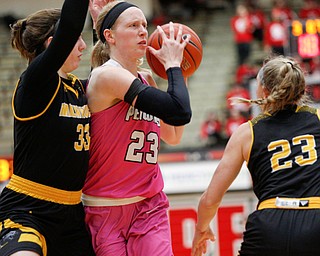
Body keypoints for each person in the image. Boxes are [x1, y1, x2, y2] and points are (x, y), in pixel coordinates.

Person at [81, 1, 192, 256]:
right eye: (133, 26)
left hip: (149, 205)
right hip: (105, 208)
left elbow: (174, 134)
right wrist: (173, 66)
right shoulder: (106, 77)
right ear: (109, 36)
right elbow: (180, 110)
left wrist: (184, 71)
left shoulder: (147, 79)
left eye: (144, 25)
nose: (143, 31)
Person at [191, 55, 320, 256]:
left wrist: (201, 228)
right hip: (315, 218)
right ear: (301, 89)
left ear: (264, 90)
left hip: (270, 223)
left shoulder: (247, 132)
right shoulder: (318, 119)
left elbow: (210, 199)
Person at [0, 0, 97, 255]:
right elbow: (70, 24)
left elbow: (105, 68)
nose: (83, 46)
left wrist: (100, 23)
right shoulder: (36, 82)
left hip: (72, 213)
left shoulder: (78, 87)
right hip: (27, 209)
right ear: (54, 43)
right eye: (77, 39)